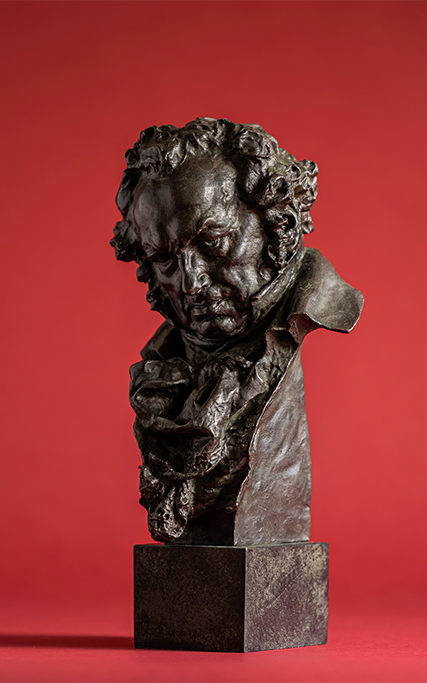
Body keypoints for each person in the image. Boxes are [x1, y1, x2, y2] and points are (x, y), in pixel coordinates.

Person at [112, 118, 363, 544]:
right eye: (164, 259)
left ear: (275, 221)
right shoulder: (159, 365)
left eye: (213, 242)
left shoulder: (311, 304)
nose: (191, 282)